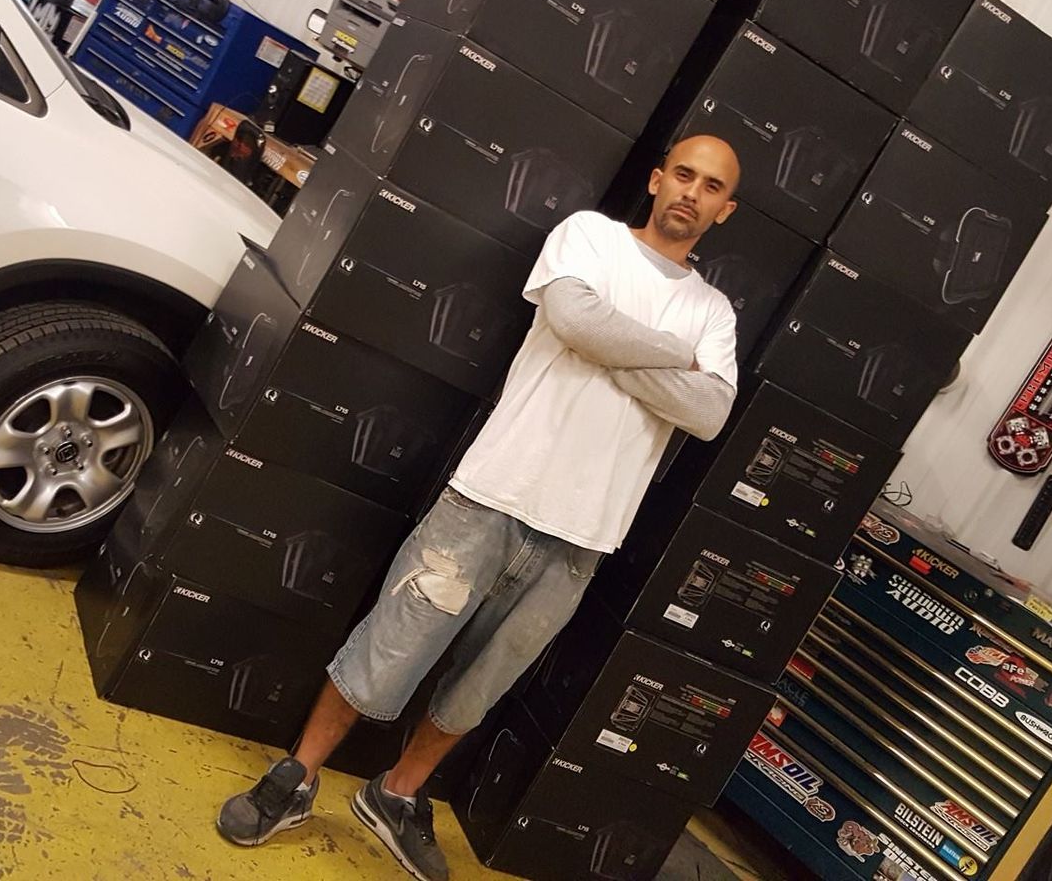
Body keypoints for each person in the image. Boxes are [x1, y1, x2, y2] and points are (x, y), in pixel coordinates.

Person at [216, 135, 745, 880]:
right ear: (658, 179)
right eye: (683, 174)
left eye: (711, 186)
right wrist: (670, 358)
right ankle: (297, 777)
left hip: (581, 538)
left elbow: (711, 413)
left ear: (724, 209)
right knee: (389, 645)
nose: (692, 192)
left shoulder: (713, 313)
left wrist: (617, 350)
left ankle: (396, 795)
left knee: (480, 686)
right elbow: (573, 321)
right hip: (493, 495)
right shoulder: (589, 237)